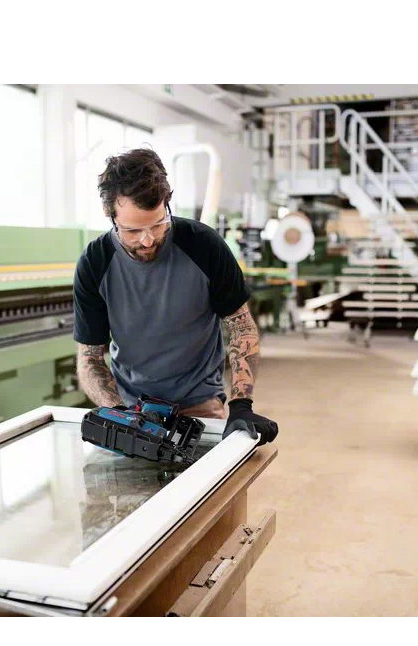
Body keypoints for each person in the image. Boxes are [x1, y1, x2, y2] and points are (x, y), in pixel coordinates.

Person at [72, 147, 278, 446]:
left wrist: (241, 404)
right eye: (132, 231)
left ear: (167, 204)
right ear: (110, 215)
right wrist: (119, 414)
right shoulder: (95, 262)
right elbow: (90, 357)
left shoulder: (203, 245)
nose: (147, 240)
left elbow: (241, 327)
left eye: (158, 224)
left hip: (199, 403)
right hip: (131, 406)